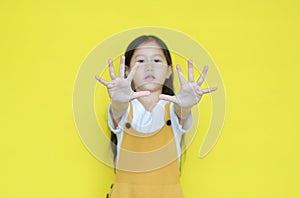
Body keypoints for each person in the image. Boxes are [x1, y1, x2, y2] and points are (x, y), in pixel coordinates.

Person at [95, 35, 217, 198]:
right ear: (127, 71)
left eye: (157, 61)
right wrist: (117, 101)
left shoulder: (174, 109)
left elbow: (182, 115)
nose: (149, 67)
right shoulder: (124, 108)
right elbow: (117, 111)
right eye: (140, 61)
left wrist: (186, 105)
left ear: (169, 71)